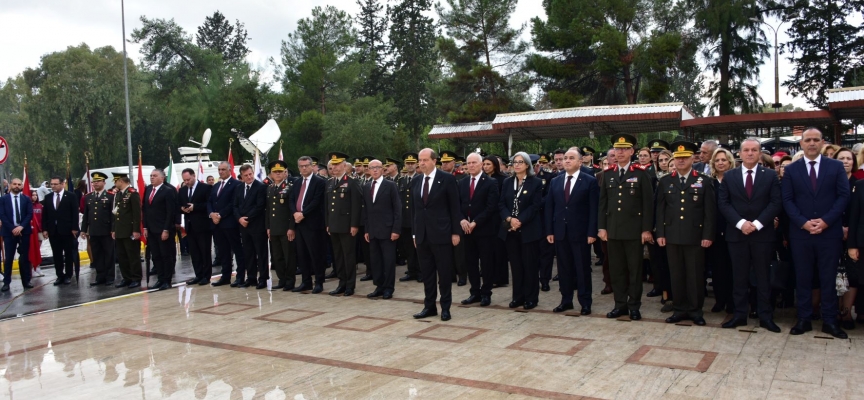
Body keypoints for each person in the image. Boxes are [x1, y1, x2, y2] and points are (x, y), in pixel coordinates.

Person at [782, 128, 850, 338]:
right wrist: (803, 223)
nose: (811, 143)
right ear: (801, 144)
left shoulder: (836, 167)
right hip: (801, 234)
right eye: (808, 140)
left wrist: (826, 221)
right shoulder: (792, 170)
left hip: (828, 234)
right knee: (803, 277)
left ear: (822, 143)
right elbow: (787, 200)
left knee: (828, 278)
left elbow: (843, 196)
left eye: (816, 140)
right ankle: (804, 319)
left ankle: (829, 321)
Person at [717, 138, 783, 332]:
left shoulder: (770, 176)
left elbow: (775, 203)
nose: (750, 153)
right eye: (746, 150)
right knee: (739, 277)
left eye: (754, 150)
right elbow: (723, 203)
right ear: (740, 153)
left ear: (760, 153)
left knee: (763, 277)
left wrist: (756, 224)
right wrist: (741, 223)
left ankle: (765, 316)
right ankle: (739, 315)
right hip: (737, 234)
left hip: (762, 234)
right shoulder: (730, 176)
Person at [655, 142, 716, 326]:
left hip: (695, 236)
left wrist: (707, 235)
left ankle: (695, 310)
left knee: (695, 274)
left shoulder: (704, 180)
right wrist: (660, 233)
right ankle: (679, 309)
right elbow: (660, 210)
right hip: (672, 235)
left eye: (685, 157)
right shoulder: (666, 180)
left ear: (692, 159)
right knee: (677, 274)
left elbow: (710, 212)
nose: (681, 161)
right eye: (678, 158)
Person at [598, 134, 654, 320]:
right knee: (617, 270)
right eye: (617, 149)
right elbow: (603, 204)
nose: (620, 152)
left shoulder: (641, 173)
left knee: (635, 270)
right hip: (613, 231)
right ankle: (620, 305)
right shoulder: (608, 174)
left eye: (624, 149)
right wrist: (602, 228)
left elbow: (648, 204)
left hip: (634, 231)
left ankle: (634, 306)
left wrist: (646, 229)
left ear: (632, 151)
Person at [546, 147, 598, 314]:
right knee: (564, 268)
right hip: (560, 232)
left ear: (580, 162)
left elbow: (593, 209)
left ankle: (585, 302)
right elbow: (550, 208)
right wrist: (550, 231)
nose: (566, 161)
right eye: (564, 158)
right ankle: (566, 300)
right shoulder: (555, 181)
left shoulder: (589, 181)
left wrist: (592, 232)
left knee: (582, 268)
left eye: (570, 158)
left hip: (581, 233)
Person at [412, 148, 461, 321]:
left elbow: (455, 208)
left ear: (434, 161)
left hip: (442, 234)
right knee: (427, 274)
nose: (422, 163)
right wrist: (414, 235)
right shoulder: (416, 181)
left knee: (444, 273)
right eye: (420, 160)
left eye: (425, 160)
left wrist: (456, 232)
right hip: (422, 236)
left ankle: (445, 307)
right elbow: (415, 211)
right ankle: (429, 306)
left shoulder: (446, 179)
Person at [499, 152, 543, 310]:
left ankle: (531, 298)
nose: (516, 165)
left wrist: (520, 220)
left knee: (529, 265)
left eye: (520, 162)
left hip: (528, 229)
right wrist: (510, 219)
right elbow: (501, 203)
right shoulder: (507, 182)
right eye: (514, 162)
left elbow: (535, 206)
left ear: (527, 165)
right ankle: (518, 297)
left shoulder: (536, 182)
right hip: (510, 230)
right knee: (516, 266)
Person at [458, 153, 500, 307]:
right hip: (466, 230)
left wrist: (475, 222)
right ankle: (474, 292)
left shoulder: (490, 182)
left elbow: (491, 207)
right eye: (468, 163)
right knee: (471, 263)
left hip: (484, 230)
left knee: (486, 263)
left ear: (481, 164)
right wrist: (462, 220)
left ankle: (486, 293)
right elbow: (457, 205)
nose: (471, 165)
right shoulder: (462, 183)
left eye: (474, 162)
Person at [324, 152, 363, 296]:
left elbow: (356, 205)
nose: (334, 167)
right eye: (332, 165)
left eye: (337, 164)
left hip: (347, 226)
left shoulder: (352, 182)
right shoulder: (329, 182)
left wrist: (354, 225)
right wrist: (327, 223)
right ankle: (341, 283)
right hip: (334, 225)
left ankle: (350, 285)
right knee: (338, 256)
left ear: (344, 165)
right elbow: (327, 206)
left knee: (348, 256)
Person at [363, 159, 402, 299]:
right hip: (373, 230)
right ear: (368, 170)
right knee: (376, 260)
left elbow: (397, 209)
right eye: (371, 168)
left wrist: (396, 230)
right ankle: (379, 286)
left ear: (382, 170)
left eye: (377, 167)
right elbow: (366, 210)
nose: (374, 170)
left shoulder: (390, 185)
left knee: (389, 261)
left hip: (388, 230)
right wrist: (366, 230)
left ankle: (389, 288)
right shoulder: (367, 186)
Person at [290, 156, 327, 293]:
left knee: (316, 254)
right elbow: (292, 199)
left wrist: (303, 213)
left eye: (306, 165)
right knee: (302, 254)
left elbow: (316, 201)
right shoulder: (297, 182)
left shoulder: (319, 182)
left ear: (312, 166)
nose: (304, 168)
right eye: (301, 166)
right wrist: (295, 213)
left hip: (313, 223)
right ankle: (306, 282)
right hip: (299, 223)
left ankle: (319, 282)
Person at [708, 147, 736, 314]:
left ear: (730, 162)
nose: (720, 163)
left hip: (733, 230)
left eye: (723, 160)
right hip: (714, 231)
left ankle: (732, 302)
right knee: (718, 269)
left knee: (733, 268)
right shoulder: (709, 182)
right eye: (717, 160)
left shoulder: (735, 180)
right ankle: (720, 301)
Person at [208, 162, 246, 287]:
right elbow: (210, 202)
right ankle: (225, 276)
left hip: (230, 223)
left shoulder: (236, 184)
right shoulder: (216, 185)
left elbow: (233, 203)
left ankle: (240, 277)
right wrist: (212, 214)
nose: (220, 172)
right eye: (219, 169)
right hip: (217, 224)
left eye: (223, 169)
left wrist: (220, 215)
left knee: (237, 250)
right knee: (223, 252)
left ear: (230, 170)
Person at [233, 164, 268, 289]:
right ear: (241, 176)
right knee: (248, 252)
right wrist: (239, 218)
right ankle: (251, 277)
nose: (249, 177)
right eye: (246, 175)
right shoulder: (238, 188)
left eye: (250, 174)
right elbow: (235, 206)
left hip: (257, 225)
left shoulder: (261, 187)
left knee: (261, 252)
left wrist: (246, 218)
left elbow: (259, 206)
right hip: (244, 226)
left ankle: (263, 278)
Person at [142, 169, 178, 291]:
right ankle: (160, 279)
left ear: (162, 178)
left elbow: (170, 212)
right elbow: (145, 210)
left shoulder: (167, 191)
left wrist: (166, 229)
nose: (152, 178)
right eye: (151, 175)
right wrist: (145, 227)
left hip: (163, 229)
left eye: (155, 176)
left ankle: (167, 280)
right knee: (156, 256)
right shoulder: (148, 190)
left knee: (165, 255)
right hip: (151, 229)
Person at [835, 147, 858, 328]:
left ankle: (847, 312)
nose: (845, 161)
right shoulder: (829, 182)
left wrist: (850, 230)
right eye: (841, 158)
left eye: (848, 158)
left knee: (852, 275)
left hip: (854, 237)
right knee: (833, 273)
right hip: (831, 232)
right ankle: (835, 310)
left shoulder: (860, 183)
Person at [265, 160, 297, 291]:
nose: (277, 174)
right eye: (275, 172)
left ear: (285, 173)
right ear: (271, 174)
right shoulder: (270, 187)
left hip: (286, 228)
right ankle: (282, 279)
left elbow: (291, 209)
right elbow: (268, 209)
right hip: (274, 228)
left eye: (280, 172)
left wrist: (291, 227)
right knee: (277, 256)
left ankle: (290, 281)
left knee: (288, 256)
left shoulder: (290, 187)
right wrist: (268, 227)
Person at [42, 176, 79, 286]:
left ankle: (68, 275)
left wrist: (74, 228)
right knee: (56, 254)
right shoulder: (48, 197)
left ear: (62, 184)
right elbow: (45, 215)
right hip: (54, 231)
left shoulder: (71, 196)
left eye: (55, 184)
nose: (53, 186)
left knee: (68, 254)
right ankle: (59, 275)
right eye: (52, 184)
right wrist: (44, 229)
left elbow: (74, 214)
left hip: (67, 231)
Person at [178, 168, 213, 286]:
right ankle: (198, 274)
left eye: (188, 179)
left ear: (194, 176)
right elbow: (178, 205)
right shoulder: (182, 190)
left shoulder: (205, 188)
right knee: (194, 252)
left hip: (203, 225)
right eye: (184, 180)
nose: (186, 182)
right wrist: (182, 209)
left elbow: (209, 204)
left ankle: (206, 275)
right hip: (189, 225)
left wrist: (195, 207)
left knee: (204, 251)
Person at [80, 172, 115, 286]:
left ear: (104, 183)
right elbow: (86, 214)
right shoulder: (89, 197)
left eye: (98, 181)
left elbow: (113, 215)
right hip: (94, 230)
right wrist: (84, 229)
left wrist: (113, 229)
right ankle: (100, 276)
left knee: (108, 254)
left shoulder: (110, 196)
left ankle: (110, 277)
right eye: (94, 182)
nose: (95, 183)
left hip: (106, 230)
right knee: (97, 254)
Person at [0, 178, 33, 291]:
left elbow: (29, 214)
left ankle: (26, 281)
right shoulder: (3, 199)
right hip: (9, 232)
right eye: (14, 184)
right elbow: (2, 215)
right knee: (9, 258)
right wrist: (13, 228)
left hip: (24, 231)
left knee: (25, 258)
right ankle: (6, 282)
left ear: (22, 186)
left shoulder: (26, 199)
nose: (17, 186)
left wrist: (21, 227)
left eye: (19, 184)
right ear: (10, 185)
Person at [110, 175, 142, 288]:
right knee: (122, 256)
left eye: (116, 181)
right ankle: (126, 277)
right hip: (120, 230)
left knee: (132, 255)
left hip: (129, 230)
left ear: (121, 181)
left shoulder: (132, 193)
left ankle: (136, 278)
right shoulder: (119, 194)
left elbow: (136, 214)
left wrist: (136, 230)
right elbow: (115, 213)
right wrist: (114, 229)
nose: (115, 183)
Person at [484, 155, 510, 287]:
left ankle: (500, 277)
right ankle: (490, 274)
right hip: (486, 218)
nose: (486, 167)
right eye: (484, 164)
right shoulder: (482, 179)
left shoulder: (503, 179)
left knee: (499, 249)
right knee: (489, 249)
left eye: (488, 164)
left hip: (498, 218)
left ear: (495, 165)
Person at [398, 152, 420, 282]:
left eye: (412, 163)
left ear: (416, 164)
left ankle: (421, 271)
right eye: (408, 163)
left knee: (419, 248)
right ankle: (411, 271)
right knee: (408, 248)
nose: (410, 165)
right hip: (405, 219)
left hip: (416, 218)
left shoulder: (420, 178)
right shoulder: (401, 180)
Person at [30, 191, 44, 277]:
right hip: (31, 230)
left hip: (39, 230)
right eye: (32, 195)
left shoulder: (40, 206)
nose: (34, 197)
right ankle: (32, 268)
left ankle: (37, 267)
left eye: (36, 195)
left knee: (38, 249)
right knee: (32, 249)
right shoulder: (27, 206)